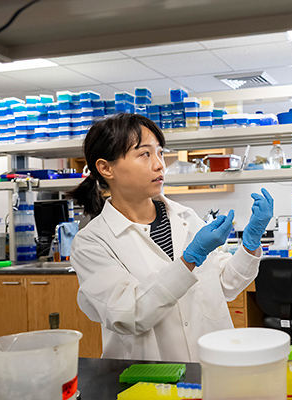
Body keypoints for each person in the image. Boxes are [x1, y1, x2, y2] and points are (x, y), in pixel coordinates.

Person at [69, 113, 273, 362]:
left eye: (160, 153)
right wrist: (189, 259)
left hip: (209, 365)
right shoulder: (92, 242)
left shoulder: (185, 218)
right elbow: (128, 314)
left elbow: (225, 285)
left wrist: (250, 244)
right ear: (105, 168)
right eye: (145, 154)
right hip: (149, 377)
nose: (159, 165)